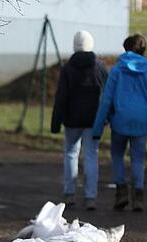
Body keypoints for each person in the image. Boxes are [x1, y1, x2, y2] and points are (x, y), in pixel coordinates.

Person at [91, 34, 147, 212]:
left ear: (126, 49)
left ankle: (121, 192)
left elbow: (106, 100)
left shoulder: (117, 70)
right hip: (142, 122)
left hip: (120, 121)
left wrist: (98, 128)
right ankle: (138, 196)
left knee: (117, 155)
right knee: (138, 159)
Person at [51, 30, 108, 211]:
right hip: (94, 120)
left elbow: (61, 97)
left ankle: (69, 193)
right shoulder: (100, 67)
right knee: (91, 155)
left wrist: (55, 121)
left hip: (72, 119)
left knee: (70, 154)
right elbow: (107, 95)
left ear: (74, 45)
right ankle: (91, 197)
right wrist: (106, 118)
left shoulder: (67, 68)